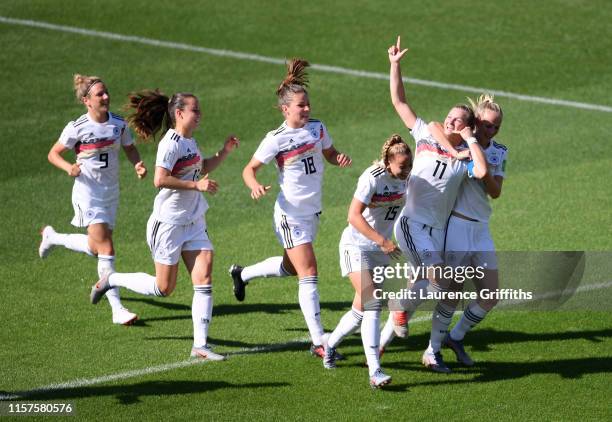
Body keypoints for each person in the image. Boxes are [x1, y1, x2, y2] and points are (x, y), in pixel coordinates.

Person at [89, 89, 239, 360]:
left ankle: (200, 345)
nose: (199, 114)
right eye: (195, 110)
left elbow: (199, 166)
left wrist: (224, 152)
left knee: (204, 276)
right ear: (180, 114)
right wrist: (197, 185)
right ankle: (110, 279)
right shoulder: (170, 143)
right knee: (164, 288)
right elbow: (160, 179)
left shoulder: (190, 141)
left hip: (193, 220)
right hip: (168, 224)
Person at [229, 58, 352, 358]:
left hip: (312, 212)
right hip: (289, 214)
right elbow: (249, 168)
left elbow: (330, 153)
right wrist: (254, 184)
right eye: (301, 105)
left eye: (307, 104)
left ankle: (241, 274)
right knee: (308, 272)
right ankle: (319, 341)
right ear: (286, 109)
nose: (307, 109)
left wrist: (339, 159)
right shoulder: (276, 139)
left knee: (289, 267)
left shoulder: (318, 129)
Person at [380, 37, 488, 373]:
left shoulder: (467, 155)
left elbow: (483, 171)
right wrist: (395, 65)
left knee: (425, 287)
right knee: (433, 280)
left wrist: (469, 142)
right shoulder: (427, 134)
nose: (451, 122)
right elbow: (400, 102)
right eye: (451, 117)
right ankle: (398, 313)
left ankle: (378, 348)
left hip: (437, 231)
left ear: (468, 126)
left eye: (459, 120)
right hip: (412, 224)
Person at [39, 74, 147, 325]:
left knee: (95, 247)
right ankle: (117, 309)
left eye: (106, 92)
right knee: (106, 248)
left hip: (111, 192)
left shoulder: (118, 124)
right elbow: (53, 154)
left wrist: (138, 164)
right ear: (87, 100)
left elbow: (129, 147)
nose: (106, 97)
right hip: (87, 193)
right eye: (100, 94)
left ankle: (53, 237)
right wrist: (69, 168)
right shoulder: (77, 127)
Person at [324, 134, 412, 388]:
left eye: (409, 165)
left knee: (361, 308)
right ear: (388, 162)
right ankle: (375, 370)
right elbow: (352, 216)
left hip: (379, 251)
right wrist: (382, 241)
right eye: (401, 166)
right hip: (357, 245)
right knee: (373, 302)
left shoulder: (408, 179)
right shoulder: (372, 178)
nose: (406, 170)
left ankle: (328, 345)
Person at [429, 94, 507, 366]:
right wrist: (468, 145)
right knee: (452, 292)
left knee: (490, 295)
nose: (491, 130)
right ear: (476, 123)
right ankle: (432, 350)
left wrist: (483, 169)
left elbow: (495, 192)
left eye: (495, 126)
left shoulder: (499, 152)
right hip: (458, 225)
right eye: (487, 125)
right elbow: (434, 127)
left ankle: (456, 336)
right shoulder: (459, 145)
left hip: (481, 228)